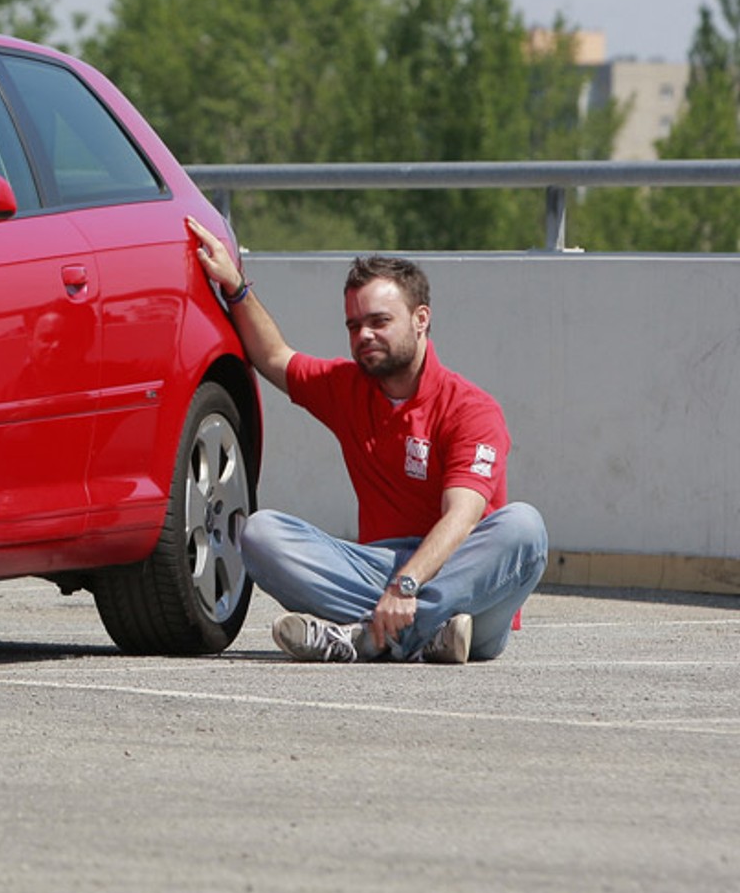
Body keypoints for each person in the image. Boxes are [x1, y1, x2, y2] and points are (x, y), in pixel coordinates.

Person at [185, 218, 547, 664]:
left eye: (379, 321)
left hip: (466, 594)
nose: (364, 336)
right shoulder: (347, 387)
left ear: (421, 319)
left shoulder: (471, 409)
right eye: (354, 325)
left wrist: (407, 586)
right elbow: (275, 357)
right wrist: (236, 288)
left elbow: (462, 518)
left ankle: (366, 639)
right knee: (258, 534)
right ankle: (410, 639)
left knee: (525, 529)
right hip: (383, 576)